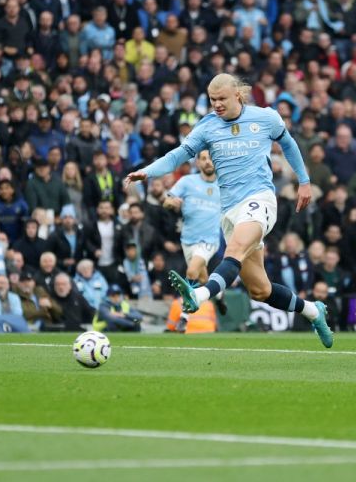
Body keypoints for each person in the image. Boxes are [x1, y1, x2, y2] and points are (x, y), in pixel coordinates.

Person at [125, 74, 333, 347]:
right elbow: (177, 155)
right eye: (212, 100)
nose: (217, 105)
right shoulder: (208, 126)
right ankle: (314, 311)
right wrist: (146, 172)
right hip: (230, 210)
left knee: (233, 250)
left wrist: (304, 181)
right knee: (260, 290)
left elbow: (289, 144)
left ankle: (198, 296)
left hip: (260, 200)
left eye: (222, 99)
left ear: (238, 94)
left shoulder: (266, 118)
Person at [163, 149, 227, 313]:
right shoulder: (187, 182)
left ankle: (184, 317)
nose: (207, 161)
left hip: (209, 240)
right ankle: (219, 297)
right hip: (188, 239)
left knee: (191, 271)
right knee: (203, 278)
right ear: (197, 163)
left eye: (211, 158)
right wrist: (172, 203)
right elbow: (167, 201)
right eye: (204, 158)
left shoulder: (224, 183)